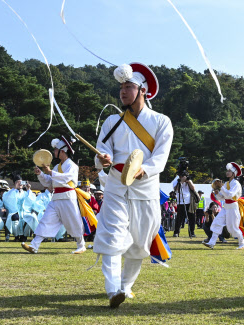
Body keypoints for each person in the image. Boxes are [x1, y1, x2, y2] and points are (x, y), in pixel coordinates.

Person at [94, 62, 174, 308]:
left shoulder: (162, 121)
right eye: (121, 87)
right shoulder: (111, 121)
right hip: (116, 185)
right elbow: (102, 150)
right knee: (111, 235)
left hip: (145, 187)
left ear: (143, 91)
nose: (123, 92)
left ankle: (125, 287)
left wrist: (145, 169)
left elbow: (161, 156)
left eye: (129, 86)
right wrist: (102, 158)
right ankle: (112, 290)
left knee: (139, 243)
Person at [22, 136, 87, 254]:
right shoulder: (58, 167)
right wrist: (41, 174)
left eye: (56, 150)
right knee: (46, 220)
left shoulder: (72, 165)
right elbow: (49, 181)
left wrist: (50, 172)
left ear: (62, 151)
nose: (54, 152)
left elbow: (66, 178)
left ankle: (81, 245)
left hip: (68, 196)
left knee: (73, 221)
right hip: (56, 197)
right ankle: (34, 245)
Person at [203, 163, 244, 250]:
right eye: (227, 171)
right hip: (226, 206)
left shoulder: (236, 184)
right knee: (217, 222)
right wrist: (217, 193)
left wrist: (221, 188)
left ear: (234, 173)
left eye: (229, 171)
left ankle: (242, 243)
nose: (227, 172)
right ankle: (212, 243)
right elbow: (222, 197)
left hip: (233, 207)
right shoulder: (227, 183)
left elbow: (230, 195)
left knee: (233, 228)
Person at [172, 171, 198, 238]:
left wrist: (188, 181)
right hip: (180, 202)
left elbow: (193, 188)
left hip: (190, 202)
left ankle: (191, 232)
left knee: (192, 218)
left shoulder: (189, 180)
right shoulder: (176, 181)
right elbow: (176, 189)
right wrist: (181, 182)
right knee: (179, 218)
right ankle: (176, 232)